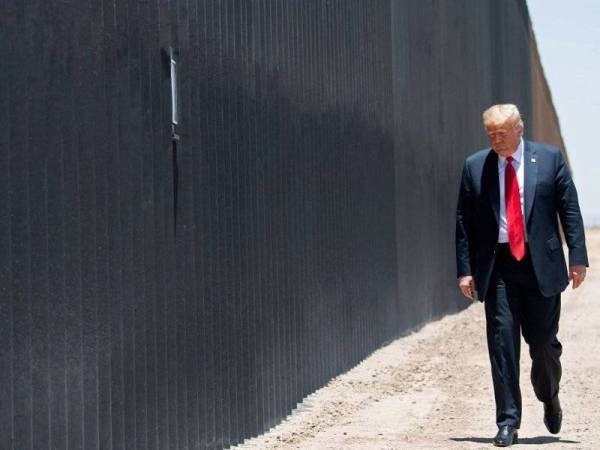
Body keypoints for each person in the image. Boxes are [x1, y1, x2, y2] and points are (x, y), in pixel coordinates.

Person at [455, 104, 588, 447]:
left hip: (539, 264)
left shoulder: (549, 159)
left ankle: (549, 394)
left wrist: (578, 258)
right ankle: (508, 421)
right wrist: (465, 270)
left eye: (502, 132)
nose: (496, 139)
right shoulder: (475, 167)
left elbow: (569, 209)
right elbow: (463, 222)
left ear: (519, 129)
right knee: (502, 343)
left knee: (543, 344)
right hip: (498, 266)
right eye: (491, 134)